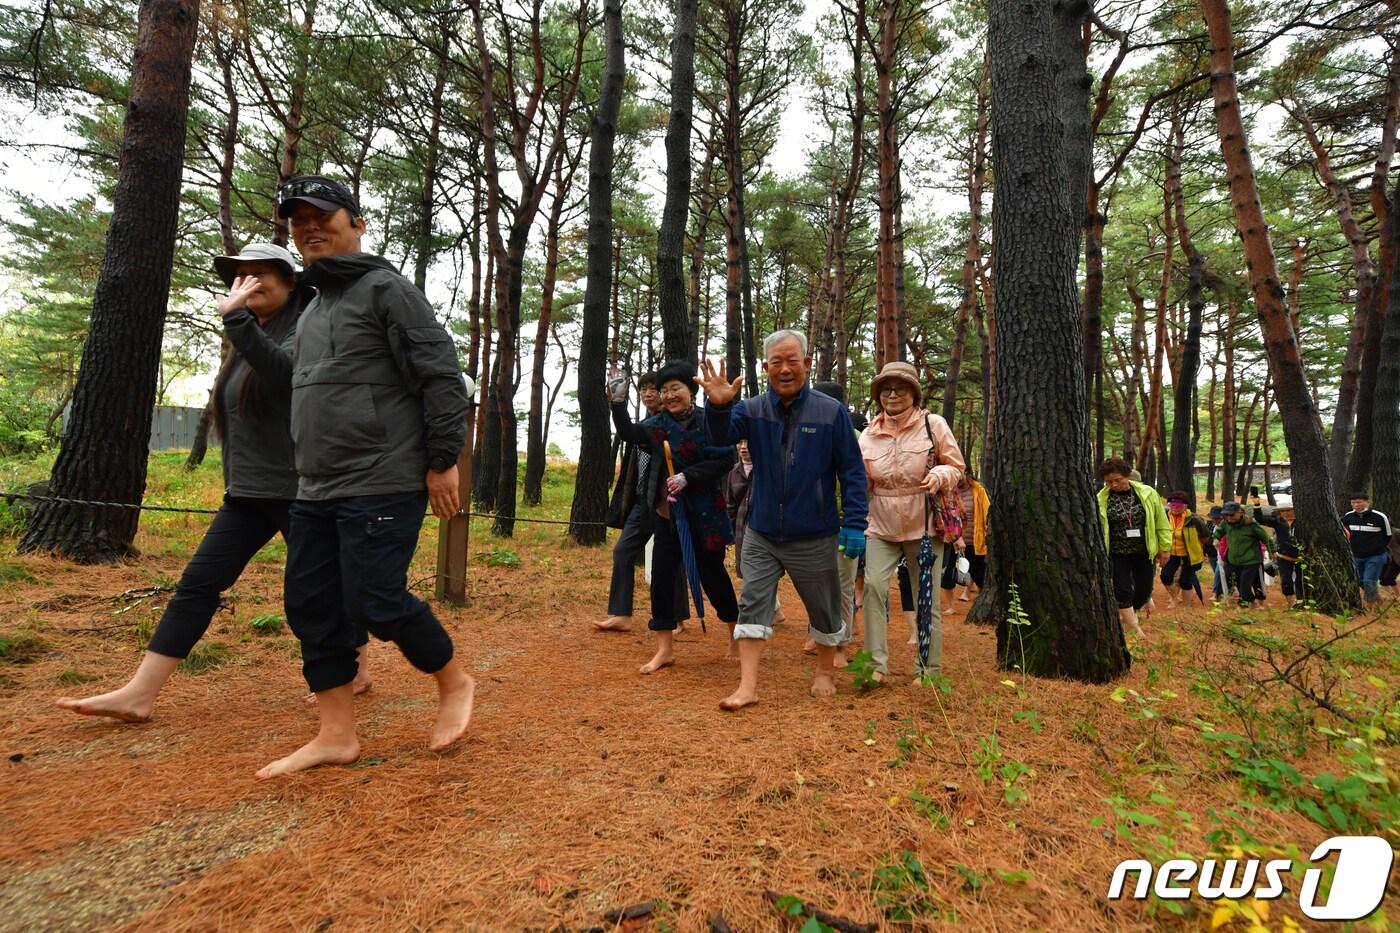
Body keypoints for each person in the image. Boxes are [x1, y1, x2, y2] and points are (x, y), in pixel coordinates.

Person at [56, 244, 342, 723]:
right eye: (240, 277)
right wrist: (241, 325)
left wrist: (235, 321)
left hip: (302, 491)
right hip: (248, 494)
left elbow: (287, 377)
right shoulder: (251, 332)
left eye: (260, 275)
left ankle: (350, 672)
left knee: (316, 591)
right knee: (197, 585)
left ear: (291, 282)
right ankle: (139, 693)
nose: (247, 284)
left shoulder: (307, 327)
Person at [258, 175, 475, 779]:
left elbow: (440, 376)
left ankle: (454, 682)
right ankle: (335, 734)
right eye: (298, 220)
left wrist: (442, 460)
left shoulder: (388, 290)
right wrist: (239, 325)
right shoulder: (313, 307)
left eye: (322, 215)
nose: (309, 228)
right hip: (316, 485)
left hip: (382, 478)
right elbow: (297, 384)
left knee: (375, 600)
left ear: (356, 222)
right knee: (312, 604)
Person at [697, 330, 868, 709]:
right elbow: (718, 437)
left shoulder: (831, 412)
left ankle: (824, 672)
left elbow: (852, 471)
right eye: (777, 362)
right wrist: (720, 406)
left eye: (793, 360)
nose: (785, 369)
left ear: (807, 364)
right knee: (753, 600)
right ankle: (748, 686)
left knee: (823, 605)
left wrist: (855, 522)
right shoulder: (753, 409)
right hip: (762, 530)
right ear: (766, 367)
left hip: (815, 533)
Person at [611, 360, 739, 673]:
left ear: (690, 390)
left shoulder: (709, 420)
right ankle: (664, 650)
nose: (669, 396)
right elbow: (629, 432)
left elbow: (725, 460)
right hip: (668, 516)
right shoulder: (658, 425)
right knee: (663, 580)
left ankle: (735, 638)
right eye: (664, 390)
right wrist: (617, 401)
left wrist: (688, 477)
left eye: (675, 389)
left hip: (705, 515)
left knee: (713, 576)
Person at [859, 361, 965, 681]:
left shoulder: (933, 425)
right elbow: (862, 480)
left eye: (900, 388)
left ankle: (927, 668)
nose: (892, 395)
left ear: (914, 393)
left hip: (924, 526)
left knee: (925, 597)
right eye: (886, 389)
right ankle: (876, 665)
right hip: (880, 525)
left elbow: (956, 466)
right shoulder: (868, 433)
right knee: (874, 588)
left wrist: (939, 474)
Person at [596, 372, 688, 632]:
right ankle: (621, 614)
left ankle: (678, 617)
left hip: (667, 502)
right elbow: (626, 435)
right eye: (643, 389)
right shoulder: (644, 425)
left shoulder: (670, 424)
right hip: (641, 501)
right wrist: (617, 402)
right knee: (623, 551)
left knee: (670, 559)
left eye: (652, 389)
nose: (647, 394)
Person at [1096, 458, 1171, 638]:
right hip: (1117, 552)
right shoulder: (1101, 498)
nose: (1113, 485)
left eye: (1117, 480)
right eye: (1108, 482)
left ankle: (1131, 612)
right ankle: (1134, 627)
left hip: (1143, 550)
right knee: (1122, 588)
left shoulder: (1147, 494)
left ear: (1127, 475)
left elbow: (1161, 521)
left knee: (1144, 589)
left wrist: (1165, 547)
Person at [1214, 501, 1273, 609]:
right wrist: (1216, 539)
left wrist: (1272, 552)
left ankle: (1254, 603)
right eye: (1226, 515)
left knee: (1249, 584)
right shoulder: (1225, 524)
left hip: (1251, 560)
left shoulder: (1251, 525)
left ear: (1240, 512)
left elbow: (1266, 538)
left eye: (1231, 514)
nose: (1228, 517)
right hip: (1233, 560)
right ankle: (1251, 603)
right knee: (1236, 583)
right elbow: (1219, 531)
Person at [1342, 492, 1393, 609]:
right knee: (1358, 580)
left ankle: (1369, 608)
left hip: (1376, 555)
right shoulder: (1348, 516)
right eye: (1353, 503)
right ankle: (1379, 599)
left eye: (1358, 502)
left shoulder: (1380, 517)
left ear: (1367, 502)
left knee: (1369, 580)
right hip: (1355, 555)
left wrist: (1377, 547)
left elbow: (1388, 536)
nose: (1355, 505)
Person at [1160, 491, 1209, 608]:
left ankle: (1187, 605)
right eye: (1172, 505)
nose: (1175, 508)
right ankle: (1174, 599)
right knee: (1165, 576)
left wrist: (1196, 546)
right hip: (1172, 553)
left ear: (1185, 506)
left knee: (1185, 580)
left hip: (1190, 554)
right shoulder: (1165, 517)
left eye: (1178, 505)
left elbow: (1205, 535)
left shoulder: (1194, 519)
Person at [1255, 495, 1301, 607]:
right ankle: (1291, 603)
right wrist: (1257, 505)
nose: (1286, 513)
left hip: (1301, 557)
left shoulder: (1303, 521)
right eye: (1282, 511)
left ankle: (1301, 603)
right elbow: (1260, 519)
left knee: (1301, 581)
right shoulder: (1277, 522)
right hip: (1283, 556)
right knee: (1286, 581)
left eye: (1288, 510)